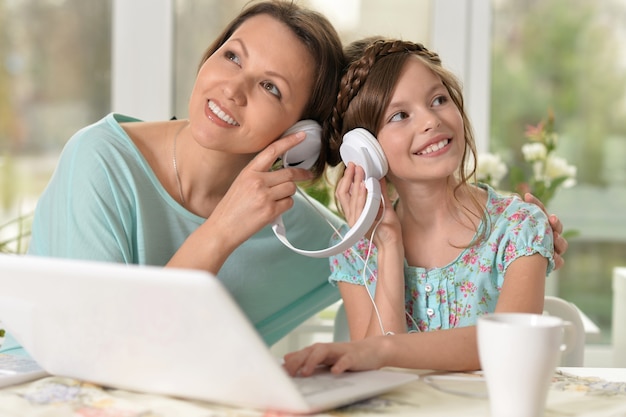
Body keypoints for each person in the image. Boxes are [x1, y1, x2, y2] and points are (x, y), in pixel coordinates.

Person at [13, 0, 347, 351]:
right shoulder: (100, 160)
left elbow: (384, 297)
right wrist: (221, 231)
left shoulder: (308, 236)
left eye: (270, 87)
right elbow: (94, 353)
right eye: (232, 57)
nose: (233, 89)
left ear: (303, 136)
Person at [283, 38, 556, 375]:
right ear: (363, 150)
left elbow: (511, 346)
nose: (430, 120)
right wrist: (389, 247)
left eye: (438, 99)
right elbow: (374, 377)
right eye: (400, 115)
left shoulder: (519, 227)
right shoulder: (355, 248)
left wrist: (385, 349)